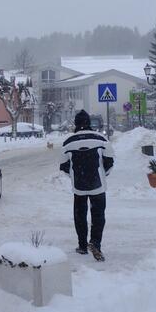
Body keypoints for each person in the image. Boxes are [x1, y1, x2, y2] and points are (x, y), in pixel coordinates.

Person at [60, 109, 114, 261]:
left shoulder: (68, 142)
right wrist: (103, 174)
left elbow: (63, 165)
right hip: (98, 186)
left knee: (80, 215)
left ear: (75, 124)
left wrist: (73, 175)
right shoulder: (100, 139)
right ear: (89, 123)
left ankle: (82, 245)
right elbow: (109, 161)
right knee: (98, 215)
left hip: (79, 187)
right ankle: (95, 243)